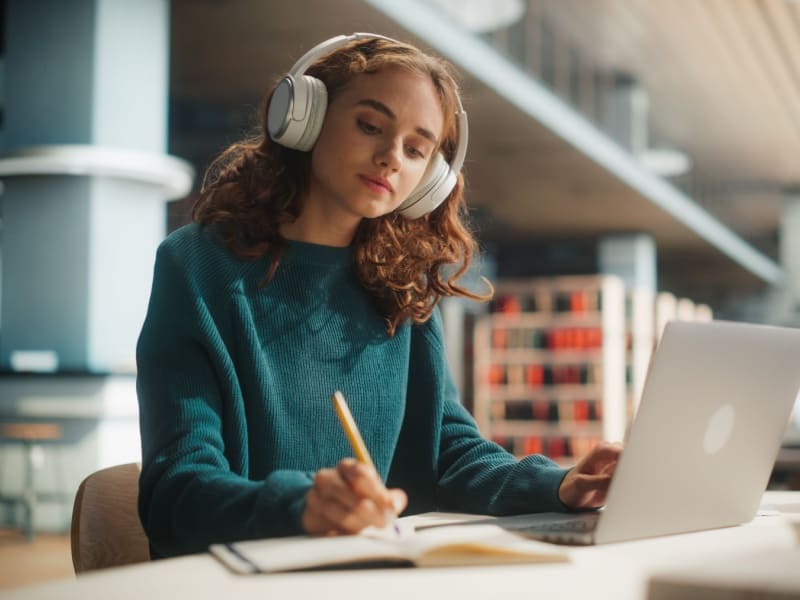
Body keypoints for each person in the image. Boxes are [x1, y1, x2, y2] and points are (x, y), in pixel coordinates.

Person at [136, 33, 621, 558]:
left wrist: (558, 485)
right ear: (306, 117)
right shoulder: (198, 266)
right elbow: (177, 487)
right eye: (370, 125)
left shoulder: (403, 288)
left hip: (372, 574)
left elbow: (450, 454)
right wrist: (301, 507)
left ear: (429, 178)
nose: (391, 157)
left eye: (416, 149)